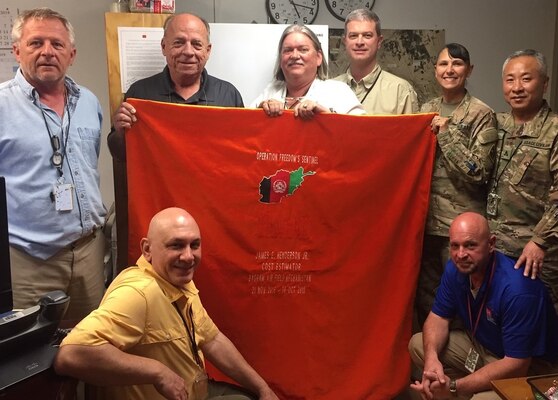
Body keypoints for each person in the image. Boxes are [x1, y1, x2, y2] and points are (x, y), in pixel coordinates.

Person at [54, 207, 279, 400]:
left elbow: (213, 340)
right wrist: (157, 372)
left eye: (195, 244)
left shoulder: (177, 280)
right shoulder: (138, 292)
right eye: (176, 245)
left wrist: (263, 389)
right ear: (147, 250)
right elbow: (71, 354)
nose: (189, 256)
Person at [0, 8, 106, 323]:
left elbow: (89, 166)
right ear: (17, 51)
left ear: (71, 54)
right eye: (36, 43)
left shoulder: (88, 102)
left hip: (87, 252)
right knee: (32, 355)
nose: (48, 51)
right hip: (28, 258)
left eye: (57, 45)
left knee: (89, 344)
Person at [409, 212, 558, 399]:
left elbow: (516, 364)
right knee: (419, 345)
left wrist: (455, 387)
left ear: (491, 244)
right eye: (455, 246)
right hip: (484, 346)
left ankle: (466, 390)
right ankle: (465, 387)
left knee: (480, 399)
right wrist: (432, 362)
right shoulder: (456, 268)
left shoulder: (518, 290)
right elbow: (438, 318)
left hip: (528, 368)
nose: (461, 254)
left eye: (470, 245)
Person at [415, 43, 498, 327]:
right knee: (426, 300)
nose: (449, 70)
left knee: (461, 299)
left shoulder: (481, 114)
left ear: (469, 70)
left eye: (457, 64)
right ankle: (428, 361)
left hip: (458, 225)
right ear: (435, 70)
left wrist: (447, 135)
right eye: (443, 64)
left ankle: (459, 364)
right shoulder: (426, 109)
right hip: (427, 223)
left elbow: (479, 172)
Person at [107, 13, 244, 161]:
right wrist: (120, 132)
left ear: (208, 50)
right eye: (179, 42)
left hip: (212, 183)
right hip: (158, 184)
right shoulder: (139, 93)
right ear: (164, 46)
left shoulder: (228, 95)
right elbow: (121, 156)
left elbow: (242, 152)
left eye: (197, 44)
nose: (188, 52)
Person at [487, 49, 558, 310]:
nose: (517, 87)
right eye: (510, 79)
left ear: (545, 83)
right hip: (494, 249)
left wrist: (540, 241)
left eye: (526, 79)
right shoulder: (495, 124)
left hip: (536, 254)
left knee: (539, 330)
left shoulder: (554, 131)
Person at [251, 24, 365, 119]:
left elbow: (362, 134)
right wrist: (259, 114)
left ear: (319, 58)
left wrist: (327, 116)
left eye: (303, 50)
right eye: (288, 50)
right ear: (281, 60)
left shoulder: (339, 91)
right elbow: (245, 132)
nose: (295, 56)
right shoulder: (269, 91)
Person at [333, 9, 418, 115]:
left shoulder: (401, 91)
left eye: (367, 35)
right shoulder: (329, 89)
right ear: (345, 41)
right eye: (353, 36)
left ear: (379, 41)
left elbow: (411, 131)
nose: (359, 42)